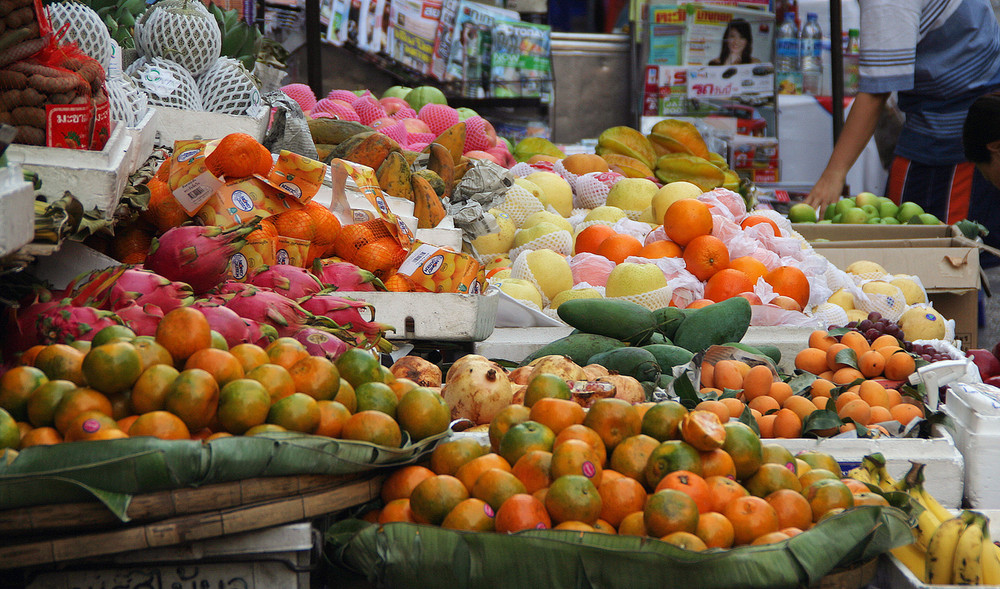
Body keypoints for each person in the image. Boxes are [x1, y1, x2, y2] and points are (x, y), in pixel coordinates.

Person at [804, 0, 1000, 233]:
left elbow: (876, 92)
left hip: (958, 129)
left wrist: (833, 175)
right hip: (932, 123)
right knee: (905, 230)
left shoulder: (889, 3)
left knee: (955, 248)